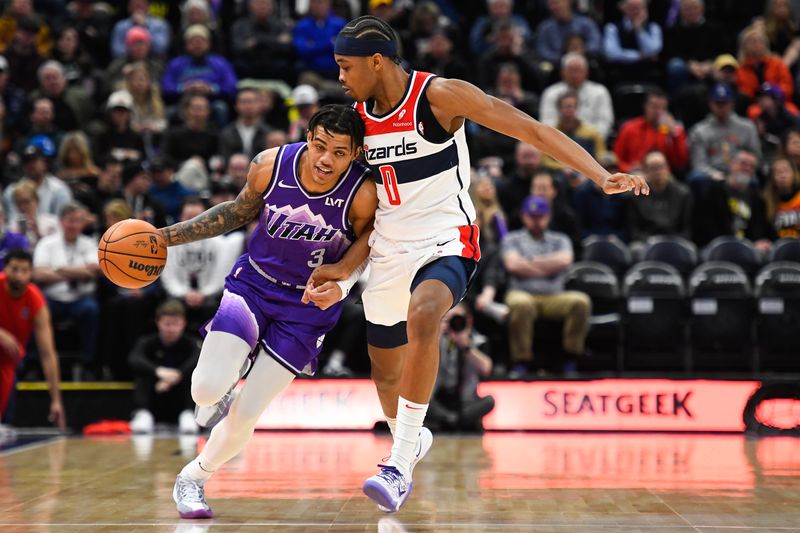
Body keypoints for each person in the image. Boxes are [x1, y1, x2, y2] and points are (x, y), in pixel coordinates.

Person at [316, 16, 647, 513]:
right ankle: (411, 439)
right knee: (385, 375)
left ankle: (399, 462)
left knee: (424, 315)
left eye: (345, 66)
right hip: (387, 250)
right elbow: (366, 209)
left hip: (446, 239)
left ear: (377, 61)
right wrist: (344, 267)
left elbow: (530, 129)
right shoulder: (357, 121)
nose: (339, 76)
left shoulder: (441, 96)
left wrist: (600, 175)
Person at [157, 104, 377, 518]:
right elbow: (235, 213)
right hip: (254, 285)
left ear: (356, 154)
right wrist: (165, 237)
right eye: (319, 146)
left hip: (306, 306)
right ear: (306, 138)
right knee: (203, 392)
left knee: (246, 414)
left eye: (339, 152)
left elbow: (370, 238)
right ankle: (223, 383)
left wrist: (344, 276)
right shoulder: (270, 165)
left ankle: (193, 478)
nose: (326, 159)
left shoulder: (363, 193)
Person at [0, 248, 65, 429]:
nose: (19, 275)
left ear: (31, 273)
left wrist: (56, 401)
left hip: (9, 361)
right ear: (5, 269)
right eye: (14, 269)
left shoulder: (35, 300)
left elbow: (48, 354)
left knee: (5, 423)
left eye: (24, 271)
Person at [128, 299, 201, 435]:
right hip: (155, 393)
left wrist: (176, 375)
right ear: (158, 323)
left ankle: (188, 414)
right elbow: (134, 359)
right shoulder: (147, 342)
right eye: (167, 324)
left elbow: (198, 360)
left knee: (195, 374)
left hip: (181, 395)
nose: (171, 329)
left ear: (183, 323)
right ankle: (143, 413)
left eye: (176, 324)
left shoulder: (191, 343)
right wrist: (158, 371)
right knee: (142, 373)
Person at [427, 303, 495, 432]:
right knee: (422, 402)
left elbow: (486, 368)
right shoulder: (437, 340)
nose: (453, 323)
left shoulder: (478, 340)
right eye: (448, 319)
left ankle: (450, 421)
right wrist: (437, 337)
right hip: (440, 400)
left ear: (468, 320)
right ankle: (453, 420)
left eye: (457, 319)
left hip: (466, 402)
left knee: (489, 401)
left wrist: (466, 346)